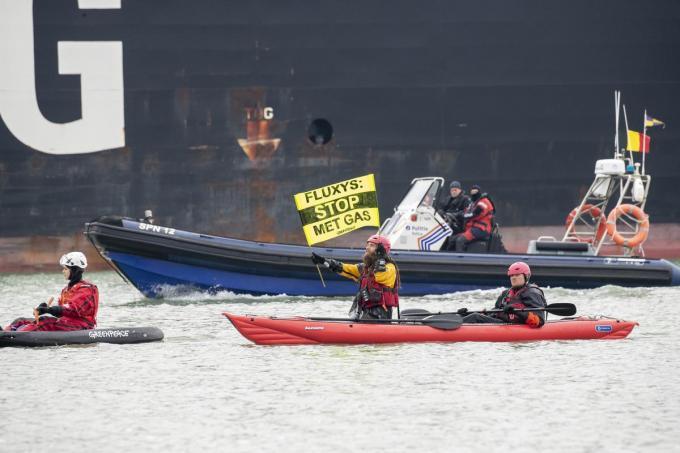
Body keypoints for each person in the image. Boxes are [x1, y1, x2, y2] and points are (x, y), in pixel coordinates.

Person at [4, 252, 99, 332]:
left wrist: (49, 310)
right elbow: (61, 312)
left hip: (82, 326)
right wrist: (45, 309)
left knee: (44, 321)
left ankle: (12, 337)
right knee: (21, 320)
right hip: (65, 323)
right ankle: (5, 332)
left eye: (65, 268)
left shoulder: (87, 289)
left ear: (75, 270)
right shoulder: (66, 289)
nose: (63, 271)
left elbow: (73, 309)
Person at [311, 234, 399, 320]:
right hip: (365, 312)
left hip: (381, 314)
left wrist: (380, 258)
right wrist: (323, 261)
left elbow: (380, 277)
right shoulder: (365, 268)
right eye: (367, 245)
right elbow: (345, 268)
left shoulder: (390, 267)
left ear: (382, 250)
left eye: (372, 245)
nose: (367, 248)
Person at [460, 261, 546, 327]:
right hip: (502, 323)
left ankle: (454, 325)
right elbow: (494, 312)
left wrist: (517, 312)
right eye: (511, 276)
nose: (513, 278)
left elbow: (539, 321)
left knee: (475, 317)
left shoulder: (532, 293)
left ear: (526, 276)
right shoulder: (506, 293)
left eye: (517, 275)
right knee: (474, 315)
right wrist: (467, 314)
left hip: (515, 325)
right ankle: (458, 318)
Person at [449, 184, 495, 252]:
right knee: (451, 239)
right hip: (473, 228)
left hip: (482, 229)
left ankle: (460, 260)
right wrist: (455, 214)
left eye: (475, 192)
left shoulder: (484, 202)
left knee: (460, 240)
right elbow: (466, 211)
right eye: (472, 192)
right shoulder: (473, 203)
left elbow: (475, 214)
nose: (473, 194)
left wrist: (463, 216)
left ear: (479, 192)